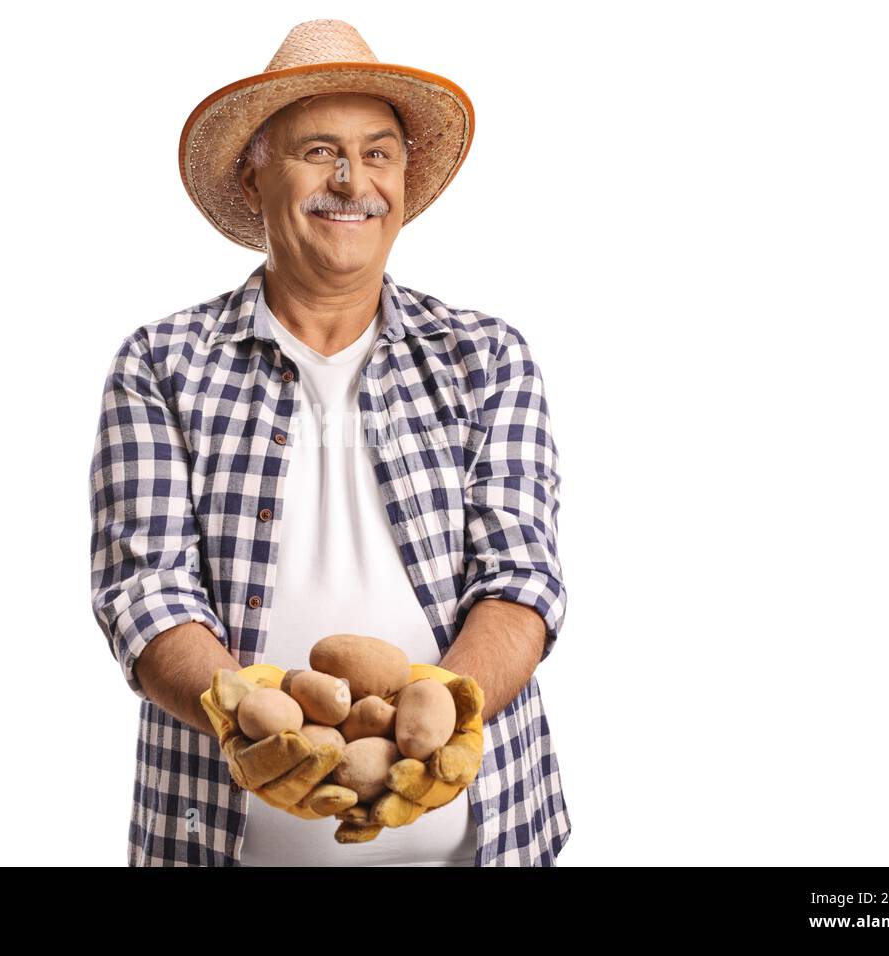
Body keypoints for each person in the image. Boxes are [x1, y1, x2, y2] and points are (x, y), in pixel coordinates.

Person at [89, 19, 571, 866]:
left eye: (378, 154)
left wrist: (446, 707)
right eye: (319, 150)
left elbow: (521, 576)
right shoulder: (161, 365)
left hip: (480, 844)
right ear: (255, 169)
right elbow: (145, 588)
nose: (353, 181)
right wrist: (239, 707)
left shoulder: (487, 358)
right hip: (213, 841)